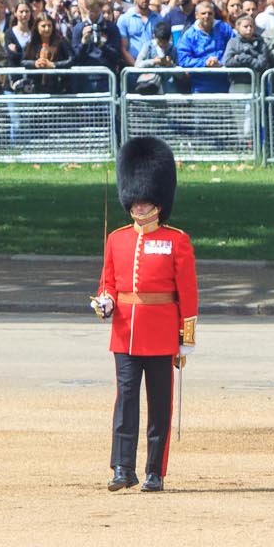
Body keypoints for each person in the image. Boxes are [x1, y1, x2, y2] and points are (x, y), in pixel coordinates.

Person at [91, 137, 197, 492]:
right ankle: (123, 468)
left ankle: (154, 471)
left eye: (145, 200)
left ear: (158, 202)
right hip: (125, 334)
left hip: (162, 335)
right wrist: (105, 302)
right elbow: (109, 283)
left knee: (159, 406)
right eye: (135, 200)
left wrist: (186, 339)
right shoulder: (117, 239)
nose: (138, 205)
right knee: (125, 403)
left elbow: (188, 294)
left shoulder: (177, 240)